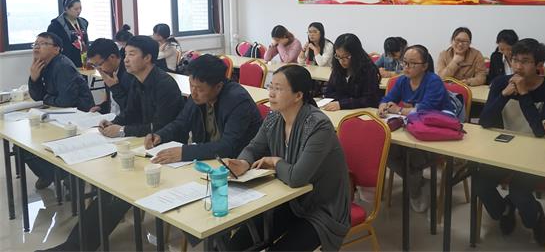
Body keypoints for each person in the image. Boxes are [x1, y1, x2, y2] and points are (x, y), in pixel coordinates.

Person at [40, 36, 185, 252]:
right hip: (141, 146)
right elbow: (131, 113)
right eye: (125, 54)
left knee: (116, 192)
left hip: (165, 152)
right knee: (108, 187)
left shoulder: (164, 84)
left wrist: (123, 130)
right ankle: (74, 246)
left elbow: (160, 126)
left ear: (148, 58)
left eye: (132, 54)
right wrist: (115, 122)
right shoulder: (137, 80)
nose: (125, 60)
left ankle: (75, 247)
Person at [225, 65, 351, 252]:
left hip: (322, 208)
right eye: (270, 86)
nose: (271, 93)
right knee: (234, 245)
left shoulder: (318, 126)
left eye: (278, 89)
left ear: (298, 95)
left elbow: (297, 177)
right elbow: (254, 147)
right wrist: (243, 163)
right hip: (288, 201)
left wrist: (275, 162)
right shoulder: (274, 118)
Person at [477, 38, 545, 246]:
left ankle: (536, 218)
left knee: (518, 192)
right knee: (480, 183)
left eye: (525, 61)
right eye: (514, 60)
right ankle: (504, 210)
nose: (517, 66)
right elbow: (485, 121)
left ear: (538, 65)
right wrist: (504, 95)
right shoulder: (500, 83)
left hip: (536, 153)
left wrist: (523, 94)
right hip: (503, 149)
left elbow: (540, 131)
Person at [143, 54, 263, 163]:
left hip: (238, 163)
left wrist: (185, 152)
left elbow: (228, 146)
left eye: (200, 89)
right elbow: (181, 122)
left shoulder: (238, 101)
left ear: (218, 86)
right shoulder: (197, 97)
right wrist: (160, 135)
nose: (193, 92)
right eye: (191, 85)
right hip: (209, 160)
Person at [378, 45, 452, 212]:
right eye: (404, 62)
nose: (406, 67)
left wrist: (399, 110)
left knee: (410, 156)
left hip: (435, 134)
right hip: (412, 130)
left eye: (412, 63)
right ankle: (419, 184)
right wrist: (383, 106)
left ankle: (415, 189)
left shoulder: (433, 81)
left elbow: (425, 110)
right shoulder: (402, 80)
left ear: (424, 66)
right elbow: (388, 98)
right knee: (384, 150)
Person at [26, 32, 95, 190]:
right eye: (35, 44)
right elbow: (37, 96)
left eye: (43, 43)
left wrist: (46, 98)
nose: (37, 47)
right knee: (24, 147)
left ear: (56, 49)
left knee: (36, 143)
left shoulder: (62, 65)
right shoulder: (42, 64)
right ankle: (51, 174)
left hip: (77, 116)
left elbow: (66, 101)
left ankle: (64, 174)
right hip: (59, 114)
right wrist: (34, 78)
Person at [323, 33, 381, 111]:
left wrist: (343, 103)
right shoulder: (337, 66)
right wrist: (345, 101)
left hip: (363, 112)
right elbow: (329, 92)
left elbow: (369, 100)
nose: (341, 61)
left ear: (356, 55)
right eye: (338, 56)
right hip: (340, 111)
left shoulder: (368, 70)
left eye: (346, 57)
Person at [85, 38, 132, 116]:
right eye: (95, 66)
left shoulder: (129, 74)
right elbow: (112, 102)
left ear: (112, 57)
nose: (99, 69)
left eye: (99, 64)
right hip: (112, 118)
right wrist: (101, 108)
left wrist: (114, 87)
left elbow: (131, 109)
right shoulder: (109, 72)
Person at [47, 0, 89, 68]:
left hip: (82, 59)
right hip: (65, 61)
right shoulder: (56, 25)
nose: (79, 11)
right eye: (76, 9)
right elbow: (51, 46)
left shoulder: (84, 22)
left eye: (80, 8)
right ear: (67, 9)